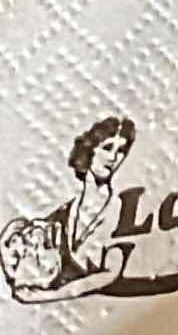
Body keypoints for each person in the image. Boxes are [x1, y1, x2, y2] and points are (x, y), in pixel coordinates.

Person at [0, 116, 135, 302]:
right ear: (90, 149)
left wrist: (50, 295)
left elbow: (110, 273)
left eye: (121, 151)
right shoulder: (61, 216)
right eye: (107, 147)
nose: (113, 158)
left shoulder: (121, 208)